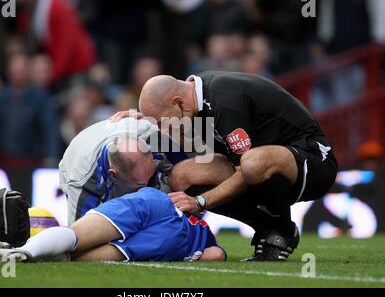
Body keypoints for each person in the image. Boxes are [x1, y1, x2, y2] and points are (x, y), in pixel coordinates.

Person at [137, 71, 338, 261]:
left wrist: (199, 202)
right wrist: (137, 122)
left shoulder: (224, 101)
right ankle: (271, 228)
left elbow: (244, 170)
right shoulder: (196, 98)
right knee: (182, 175)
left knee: (252, 163)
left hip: (314, 160)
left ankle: (281, 231)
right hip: (264, 163)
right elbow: (196, 145)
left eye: (162, 122)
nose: (163, 129)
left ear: (178, 102)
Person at [0, 187, 226, 263]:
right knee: (78, 256)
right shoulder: (204, 235)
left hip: (154, 200)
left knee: (75, 235)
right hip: (175, 239)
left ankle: (24, 251)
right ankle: (27, 255)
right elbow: (216, 255)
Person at [59, 118, 171, 225]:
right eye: (140, 184)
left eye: (151, 175)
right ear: (113, 174)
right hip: (75, 162)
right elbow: (78, 237)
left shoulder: (154, 135)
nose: (145, 189)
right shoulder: (82, 182)